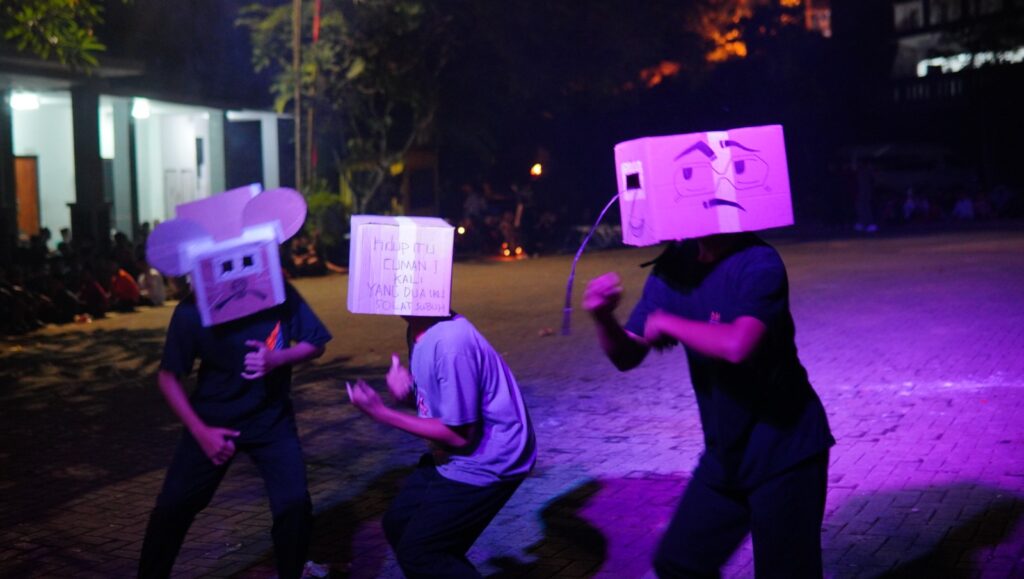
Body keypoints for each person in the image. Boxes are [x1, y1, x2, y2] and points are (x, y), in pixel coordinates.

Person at [584, 232, 834, 578]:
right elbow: (627, 355)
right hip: (725, 455)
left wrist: (669, 322)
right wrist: (603, 318)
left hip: (786, 450)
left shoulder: (758, 262)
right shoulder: (674, 266)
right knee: (678, 562)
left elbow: (738, 345)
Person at [138, 283, 331, 579]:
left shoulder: (276, 292)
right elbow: (168, 378)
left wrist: (277, 358)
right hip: (212, 421)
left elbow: (315, 342)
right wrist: (201, 432)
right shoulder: (191, 309)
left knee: (293, 504)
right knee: (173, 506)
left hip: (271, 421)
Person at [347, 313, 536, 578]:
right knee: (399, 524)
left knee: (423, 553)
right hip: (451, 456)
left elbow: (458, 435)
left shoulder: (450, 341)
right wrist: (409, 395)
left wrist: (382, 413)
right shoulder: (419, 330)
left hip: (490, 459)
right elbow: (446, 405)